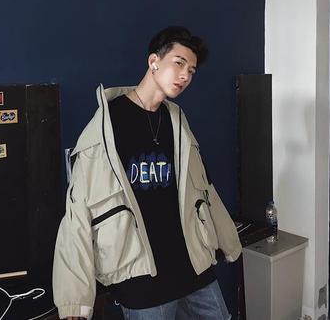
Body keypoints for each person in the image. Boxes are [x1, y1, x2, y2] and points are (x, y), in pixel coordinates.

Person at [53, 26, 241, 320]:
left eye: (191, 71)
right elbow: (78, 214)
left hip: (193, 266)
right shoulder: (106, 126)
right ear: (154, 61)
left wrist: (229, 242)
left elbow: (204, 188)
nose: (185, 76)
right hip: (141, 279)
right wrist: (74, 301)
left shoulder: (177, 120)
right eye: (179, 63)